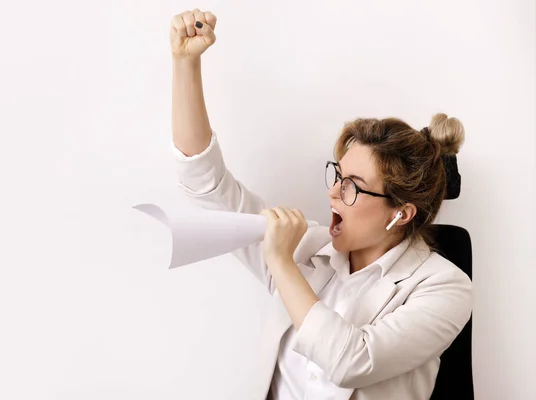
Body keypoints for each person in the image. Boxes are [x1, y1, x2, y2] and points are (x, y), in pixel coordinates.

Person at [169, 9, 473, 400]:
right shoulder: (307, 247)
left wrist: (281, 264)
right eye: (337, 176)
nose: (332, 193)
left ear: (401, 212)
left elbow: (353, 362)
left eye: (352, 187)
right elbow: (207, 185)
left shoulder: (444, 287)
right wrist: (185, 63)